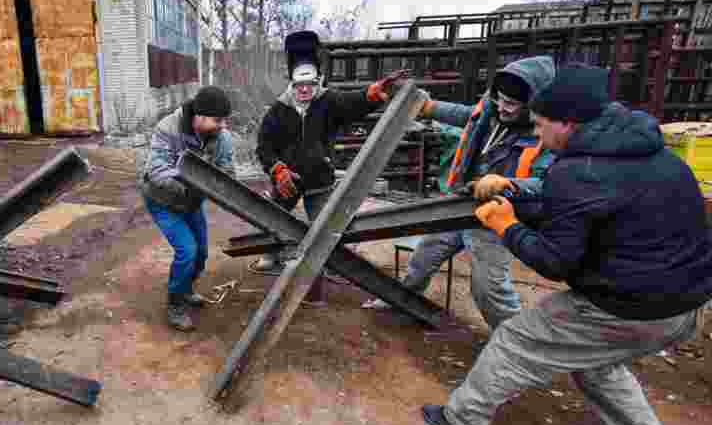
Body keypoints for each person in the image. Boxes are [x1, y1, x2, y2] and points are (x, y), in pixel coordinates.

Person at [422, 65, 712, 425]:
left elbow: (554, 262)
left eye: (540, 127)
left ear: (568, 123)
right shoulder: (648, 153)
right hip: (684, 303)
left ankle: (462, 419)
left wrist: (507, 226)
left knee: (515, 339)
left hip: (629, 304)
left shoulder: (579, 171)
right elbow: (580, 208)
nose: (537, 136)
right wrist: (515, 191)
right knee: (596, 363)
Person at [367, 56, 557, 333]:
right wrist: (430, 108)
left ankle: (516, 339)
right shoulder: (492, 110)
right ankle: (401, 300)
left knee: (488, 289)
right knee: (425, 255)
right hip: (461, 204)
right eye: (500, 99)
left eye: (511, 104)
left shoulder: (546, 135)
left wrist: (508, 183)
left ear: (531, 107)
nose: (502, 107)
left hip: (495, 216)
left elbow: (547, 184)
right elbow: (466, 114)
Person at [252, 30, 409, 291]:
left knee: (326, 225)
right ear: (291, 83)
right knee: (274, 217)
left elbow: (353, 102)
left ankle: (328, 262)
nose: (304, 90)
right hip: (288, 179)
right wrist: (277, 169)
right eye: (299, 85)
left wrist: (372, 94)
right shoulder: (278, 111)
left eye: (310, 85)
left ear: (318, 83)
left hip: (319, 178)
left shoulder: (328, 102)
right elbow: (264, 147)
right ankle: (271, 252)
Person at [140, 86, 235, 332]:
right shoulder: (168, 128)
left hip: (191, 202)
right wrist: (191, 184)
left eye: (224, 120)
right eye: (217, 120)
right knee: (187, 251)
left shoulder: (222, 138)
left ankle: (186, 289)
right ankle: (175, 305)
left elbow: (227, 172)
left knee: (201, 252)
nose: (222, 126)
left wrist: (229, 190)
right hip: (162, 201)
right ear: (200, 116)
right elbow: (157, 171)